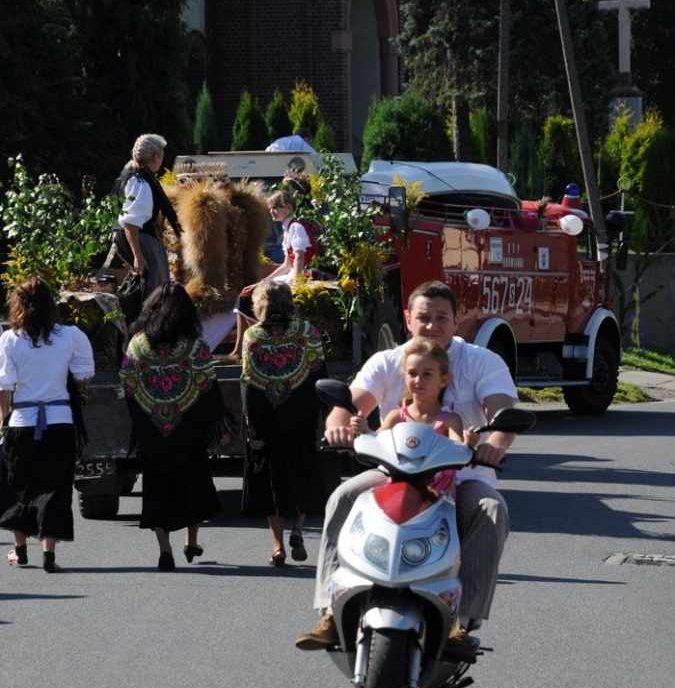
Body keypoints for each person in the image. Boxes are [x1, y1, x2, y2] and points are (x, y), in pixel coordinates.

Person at [295, 280, 518, 661]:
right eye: (423, 317)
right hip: (391, 475)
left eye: (441, 318)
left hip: (460, 479)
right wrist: (340, 426)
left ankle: (463, 622)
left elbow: (502, 414)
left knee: (491, 509)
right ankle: (330, 611)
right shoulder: (386, 361)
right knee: (343, 495)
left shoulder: (482, 361)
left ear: (456, 320)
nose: (432, 325)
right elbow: (350, 405)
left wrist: (492, 445)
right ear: (406, 319)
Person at [119, 282, 229, 571]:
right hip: (189, 432)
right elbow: (208, 387)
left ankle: (164, 548)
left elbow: (128, 384)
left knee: (158, 490)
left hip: (153, 432)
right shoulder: (195, 346)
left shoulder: (137, 345)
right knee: (193, 486)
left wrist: (147, 418)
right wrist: (208, 423)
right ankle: (191, 541)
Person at [0, 278, 95, 572]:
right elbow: (84, 375)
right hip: (60, 420)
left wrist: (2, 421)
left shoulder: (10, 339)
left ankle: (19, 549)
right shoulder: (70, 335)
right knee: (56, 487)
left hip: (22, 421)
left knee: (18, 485)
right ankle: (48, 553)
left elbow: (5, 387)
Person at [240, 281, 326, 566]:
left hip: (266, 420)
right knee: (301, 474)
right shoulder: (307, 331)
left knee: (271, 482)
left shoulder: (252, 335)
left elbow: (249, 383)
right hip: (301, 418)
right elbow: (319, 377)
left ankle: (277, 547)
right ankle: (298, 529)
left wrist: (253, 427)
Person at [350, 337, 480, 499]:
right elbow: (377, 442)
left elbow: (459, 450)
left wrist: (469, 444)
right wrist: (364, 430)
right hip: (396, 489)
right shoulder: (397, 416)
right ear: (405, 377)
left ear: (444, 379)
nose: (418, 380)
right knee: (348, 496)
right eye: (412, 373)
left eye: (427, 374)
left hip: (439, 495)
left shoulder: (449, 420)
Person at [225, 188, 318, 361]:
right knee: (246, 293)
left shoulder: (296, 227)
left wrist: (296, 283)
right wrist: (262, 282)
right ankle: (240, 349)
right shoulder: (288, 229)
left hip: (302, 274)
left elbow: (299, 259)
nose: (271, 211)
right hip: (291, 272)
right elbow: (285, 264)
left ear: (288, 208)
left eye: (276, 206)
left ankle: (258, 344)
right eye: (270, 207)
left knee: (247, 297)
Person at [111, 133, 183, 296]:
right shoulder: (140, 183)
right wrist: (138, 255)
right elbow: (130, 222)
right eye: (162, 154)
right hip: (142, 239)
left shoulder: (129, 177)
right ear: (156, 157)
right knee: (155, 291)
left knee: (146, 287)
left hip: (132, 238)